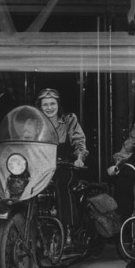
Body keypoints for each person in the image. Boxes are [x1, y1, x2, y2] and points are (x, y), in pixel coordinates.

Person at [35, 88, 88, 234]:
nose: (49, 107)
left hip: (63, 164)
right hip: (39, 166)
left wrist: (79, 157)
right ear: (40, 107)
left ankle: (68, 229)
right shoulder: (34, 123)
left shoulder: (69, 120)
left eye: (53, 103)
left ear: (58, 105)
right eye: (45, 104)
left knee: (62, 184)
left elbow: (79, 140)